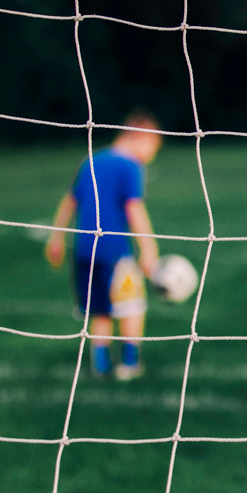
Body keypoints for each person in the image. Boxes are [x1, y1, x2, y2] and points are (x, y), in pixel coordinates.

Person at [45, 111, 162, 381]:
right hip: (115, 251)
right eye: (153, 146)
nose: (152, 154)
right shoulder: (130, 166)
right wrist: (149, 249)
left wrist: (57, 237)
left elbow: (70, 201)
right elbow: (134, 208)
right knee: (131, 306)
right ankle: (129, 364)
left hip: (84, 250)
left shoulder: (91, 160)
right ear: (140, 136)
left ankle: (100, 364)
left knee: (99, 308)